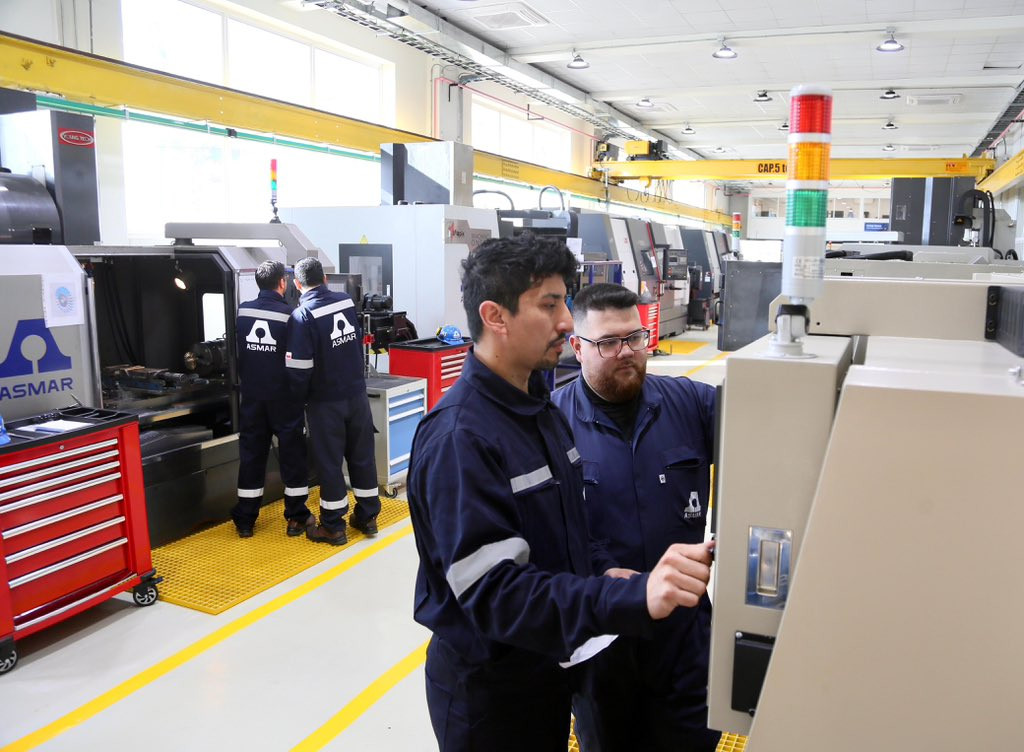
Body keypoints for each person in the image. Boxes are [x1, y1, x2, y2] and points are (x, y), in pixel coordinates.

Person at [406, 234, 716, 752]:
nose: (566, 321)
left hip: (546, 670)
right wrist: (626, 593)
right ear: (495, 316)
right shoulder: (463, 437)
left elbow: (552, 535)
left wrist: (597, 575)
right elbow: (495, 593)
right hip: (491, 694)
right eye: (549, 306)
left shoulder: (538, 412)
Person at [551, 282, 720, 752]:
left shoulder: (689, 404)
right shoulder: (551, 424)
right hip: (604, 634)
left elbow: (762, 435)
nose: (625, 352)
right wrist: (601, 569)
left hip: (684, 632)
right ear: (578, 348)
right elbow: (545, 529)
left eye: (635, 337)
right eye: (608, 342)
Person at [285, 256, 380, 545]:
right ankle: (367, 517)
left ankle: (333, 526)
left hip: (325, 402)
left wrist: (297, 400)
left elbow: (300, 368)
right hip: (356, 395)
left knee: (330, 463)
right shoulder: (346, 302)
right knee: (362, 456)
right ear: (325, 279)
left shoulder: (302, 316)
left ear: (297, 284)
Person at [231, 260, 312, 539]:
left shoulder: (243, 312)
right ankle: (296, 518)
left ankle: (245, 520)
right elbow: (296, 357)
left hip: (252, 398)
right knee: (292, 457)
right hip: (283, 399)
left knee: (252, 456)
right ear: (283, 283)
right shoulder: (291, 315)